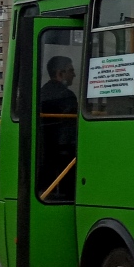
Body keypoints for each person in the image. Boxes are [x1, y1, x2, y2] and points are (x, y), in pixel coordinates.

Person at [38, 56, 78, 200]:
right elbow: (72, 130)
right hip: (65, 153)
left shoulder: (41, 93)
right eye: (71, 71)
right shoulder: (66, 96)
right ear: (60, 73)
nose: (74, 74)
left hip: (45, 152)